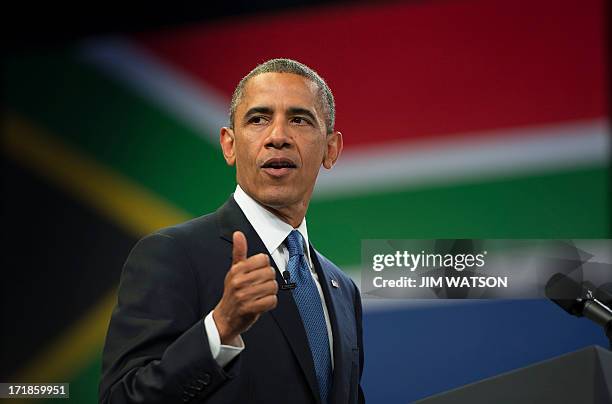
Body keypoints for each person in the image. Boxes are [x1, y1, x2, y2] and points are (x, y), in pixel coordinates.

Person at [99, 58, 365, 404]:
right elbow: (121, 399)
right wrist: (220, 329)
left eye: (299, 119)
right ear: (229, 144)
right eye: (258, 119)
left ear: (331, 149)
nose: (278, 137)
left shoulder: (342, 289)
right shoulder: (172, 254)